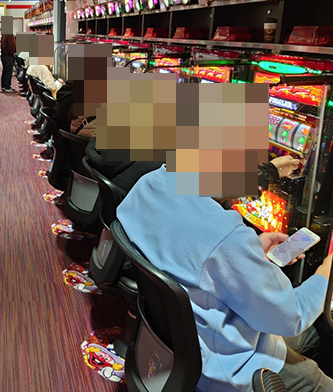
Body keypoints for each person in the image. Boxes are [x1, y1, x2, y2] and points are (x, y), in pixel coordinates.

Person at [116, 156, 333, 392]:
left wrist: (246, 255)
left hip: (171, 342)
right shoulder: (226, 235)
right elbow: (292, 317)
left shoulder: (147, 184)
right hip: (228, 370)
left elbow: (187, 252)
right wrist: (326, 274)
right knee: (317, 377)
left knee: (312, 338)